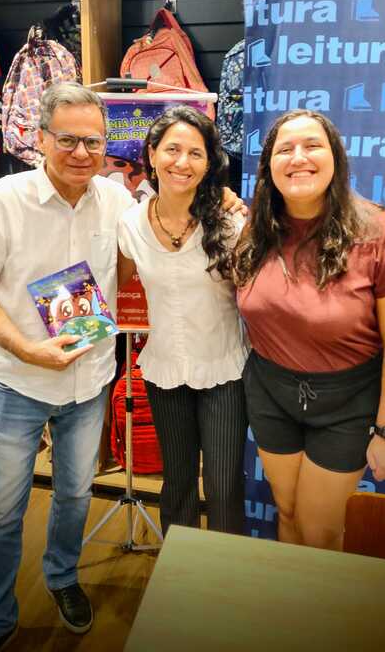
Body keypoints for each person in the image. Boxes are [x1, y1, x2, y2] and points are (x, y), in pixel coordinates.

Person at [0, 82, 134, 651]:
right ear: (40, 139)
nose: (82, 153)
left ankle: (62, 577)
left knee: (76, 496)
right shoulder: (0, 200)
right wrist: (25, 349)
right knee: (1, 511)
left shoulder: (116, 201)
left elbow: (140, 258)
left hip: (88, 382)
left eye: (93, 141)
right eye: (68, 140)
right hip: (17, 380)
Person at [234, 108, 385, 551]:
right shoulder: (255, 227)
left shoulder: (379, 233)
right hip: (270, 393)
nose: (298, 157)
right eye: (284, 149)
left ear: (336, 158)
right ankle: (291, 615)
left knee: (321, 531)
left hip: (347, 403)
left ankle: (320, 619)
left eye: (312, 146)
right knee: (287, 514)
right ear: (268, 166)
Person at [117, 105, 248, 536]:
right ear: (152, 154)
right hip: (164, 370)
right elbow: (118, 286)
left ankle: (226, 587)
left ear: (209, 163)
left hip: (224, 370)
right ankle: (178, 578)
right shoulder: (129, 224)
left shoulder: (230, 220)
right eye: (172, 149)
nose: (182, 162)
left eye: (196, 153)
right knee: (176, 483)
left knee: (224, 486)